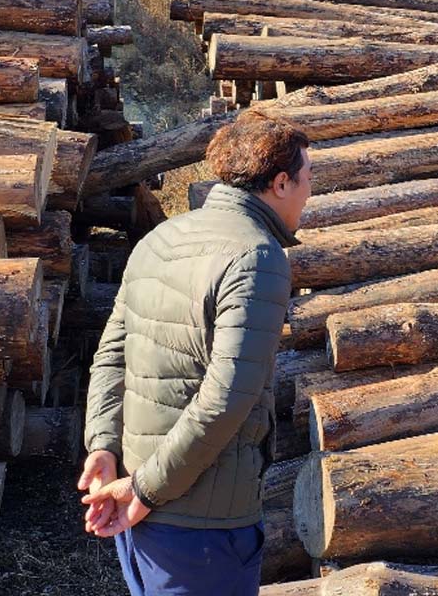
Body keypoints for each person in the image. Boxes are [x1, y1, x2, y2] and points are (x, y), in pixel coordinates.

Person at [78, 113, 311, 596]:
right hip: (201, 524)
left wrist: (102, 446)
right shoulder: (257, 257)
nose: (310, 193)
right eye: (307, 178)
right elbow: (226, 398)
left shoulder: (159, 239)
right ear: (280, 183)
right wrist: (145, 488)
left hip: (139, 504)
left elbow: (111, 356)